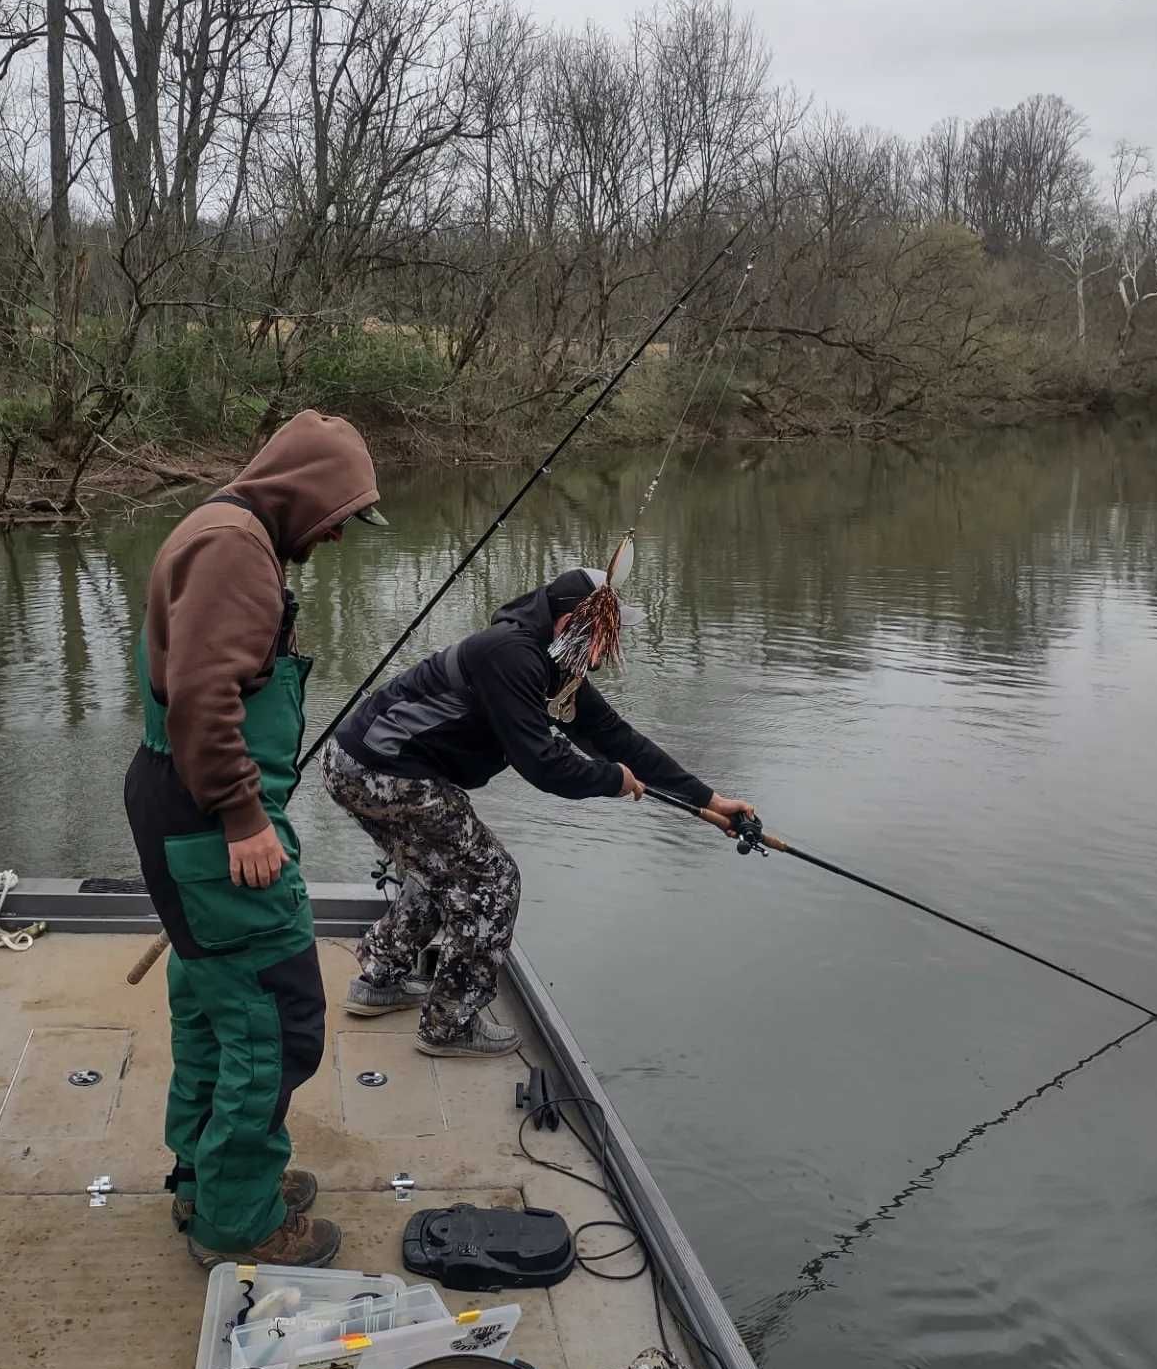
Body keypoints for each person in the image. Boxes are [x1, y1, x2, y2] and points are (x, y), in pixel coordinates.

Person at [124, 410, 386, 1271]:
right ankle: (238, 1221)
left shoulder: (217, 526)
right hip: (211, 821)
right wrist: (244, 815)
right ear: (306, 490)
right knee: (277, 1020)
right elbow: (203, 692)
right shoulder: (239, 547)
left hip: (174, 802)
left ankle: (208, 1180)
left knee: (211, 1006)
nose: (340, 533)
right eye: (339, 513)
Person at [321, 567, 754, 1058]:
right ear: (571, 621)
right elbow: (542, 764)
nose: (602, 653)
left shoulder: (550, 665)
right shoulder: (512, 656)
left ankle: (381, 977)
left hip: (359, 763)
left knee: (438, 867)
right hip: (383, 769)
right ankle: (449, 1025)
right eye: (600, 637)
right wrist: (610, 779)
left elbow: (615, 736)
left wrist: (708, 801)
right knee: (491, 880)